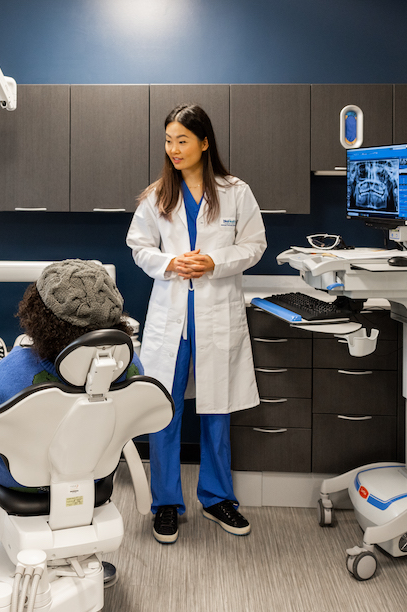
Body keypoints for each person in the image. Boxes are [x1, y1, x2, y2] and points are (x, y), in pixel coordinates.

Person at [126, 104, 267, 544]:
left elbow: (255, 245)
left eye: (182, 140)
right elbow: (138, 246)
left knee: (216, 411)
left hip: (214, 315)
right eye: (168, 141)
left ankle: (218, 498)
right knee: (164, 413)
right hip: (172, 318)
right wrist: (171, 262)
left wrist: (214, 261)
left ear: (204, 143)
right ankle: (165, 504)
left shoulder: (236, 192)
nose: (173, 149)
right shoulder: (156, 196)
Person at [0, 259, 141, 589]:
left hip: (17, 480)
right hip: (92, 472)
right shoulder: (130, 364)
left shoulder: (16, 371)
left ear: (37, 316)